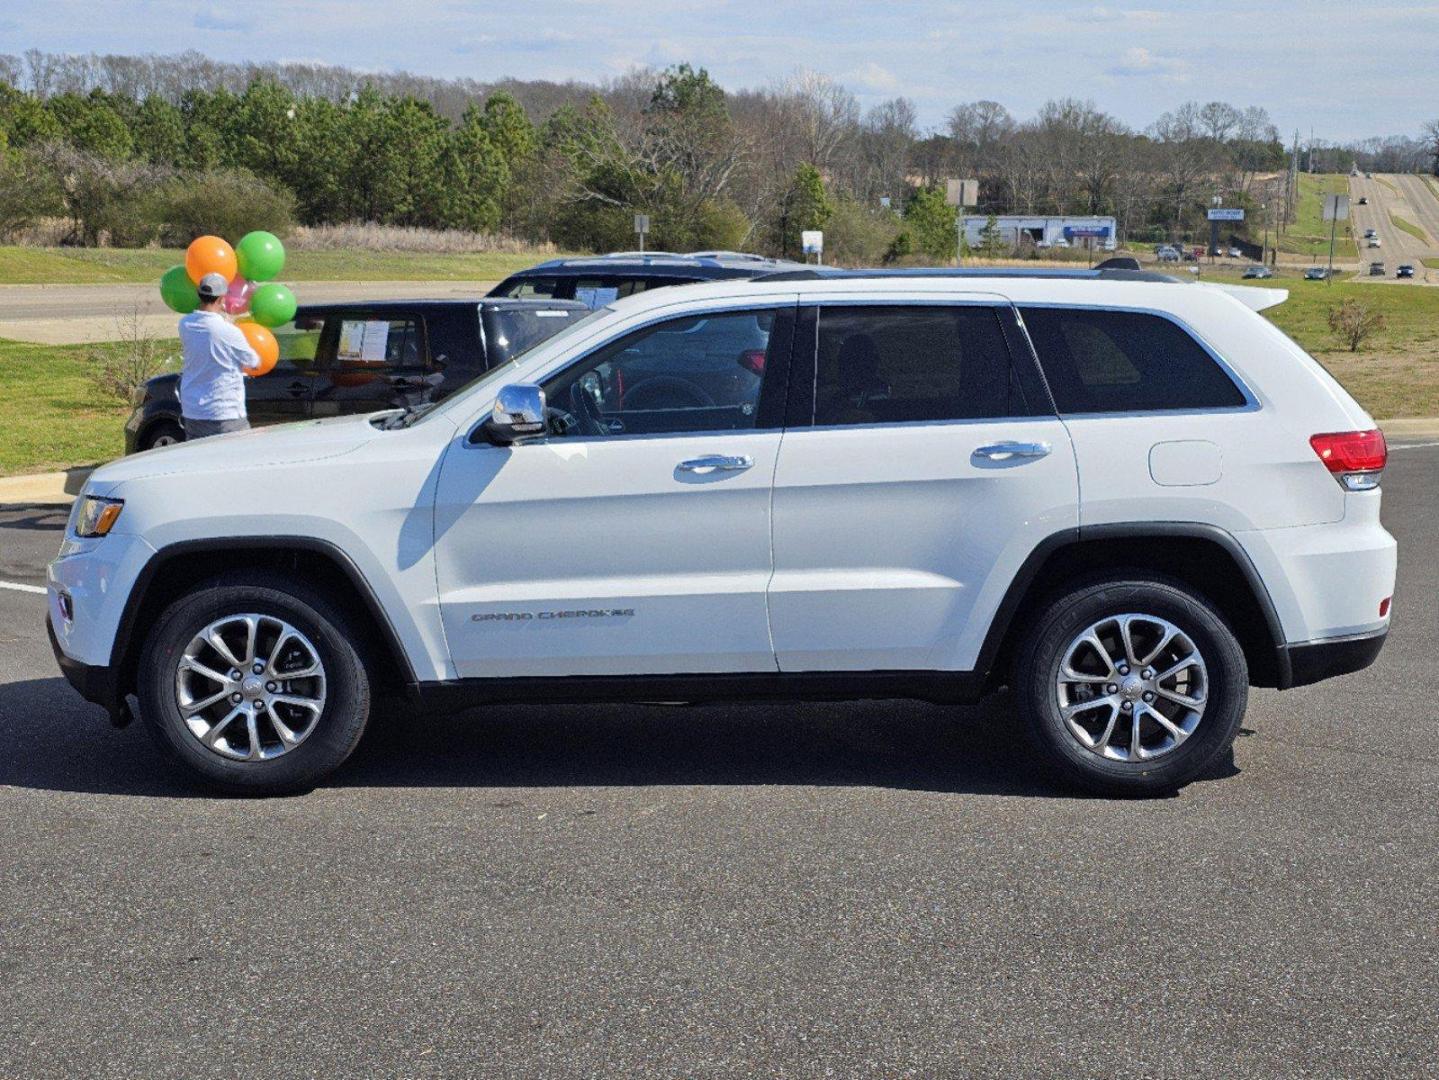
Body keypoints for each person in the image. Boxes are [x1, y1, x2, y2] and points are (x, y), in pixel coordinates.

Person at [178, 272, 261, 439]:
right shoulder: (228, 331)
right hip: (224, 412)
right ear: (221, 299)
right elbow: (254, 362)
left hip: (193, 410)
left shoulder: (185, 324)